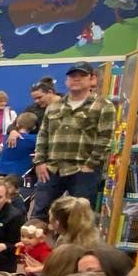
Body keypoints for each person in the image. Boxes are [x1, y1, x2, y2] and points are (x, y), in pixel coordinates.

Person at [32, 62, 117, 218]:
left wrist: (90, 165)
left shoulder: (104, 105)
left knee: (80, 218)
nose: (76, 79)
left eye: (82, 75)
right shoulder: (54, 106)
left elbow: (105, 138)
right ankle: (36, 243)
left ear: (92, 79)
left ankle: (75, 244)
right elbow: (43, 134)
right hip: (52, 168)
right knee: (39, 214)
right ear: (66, 81)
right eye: (72, 76)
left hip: (83, 170)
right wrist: (39, 162)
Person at [0, 111, 39, 179]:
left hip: (1, 171)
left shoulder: (6, 137)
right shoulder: (35, 139)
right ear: (34, 127)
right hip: (20, 174)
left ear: (17, 124)